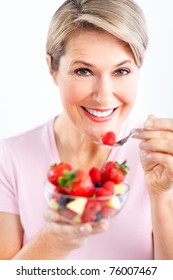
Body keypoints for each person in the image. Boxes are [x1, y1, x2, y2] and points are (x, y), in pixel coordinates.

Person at [0, 0, 173, 260]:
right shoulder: (9, 158)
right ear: (52, 68)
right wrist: (56, 241)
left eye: (121, 71)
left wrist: (162, 196)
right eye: (83, 71)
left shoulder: (163, 159)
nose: (103, 96)